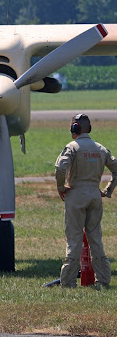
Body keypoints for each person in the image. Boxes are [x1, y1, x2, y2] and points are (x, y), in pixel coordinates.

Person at [55, 113, 117, 289]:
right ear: (89, 129)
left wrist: (61, 187)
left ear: (74, 128)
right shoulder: (101, 149)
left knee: (74, 239)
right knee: (95, 238)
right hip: (95, 195)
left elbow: (60, 168)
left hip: (76, 194)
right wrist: (107, 191)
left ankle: (68, 282)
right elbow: (116, 169)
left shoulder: (72, 147)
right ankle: (103, 281)